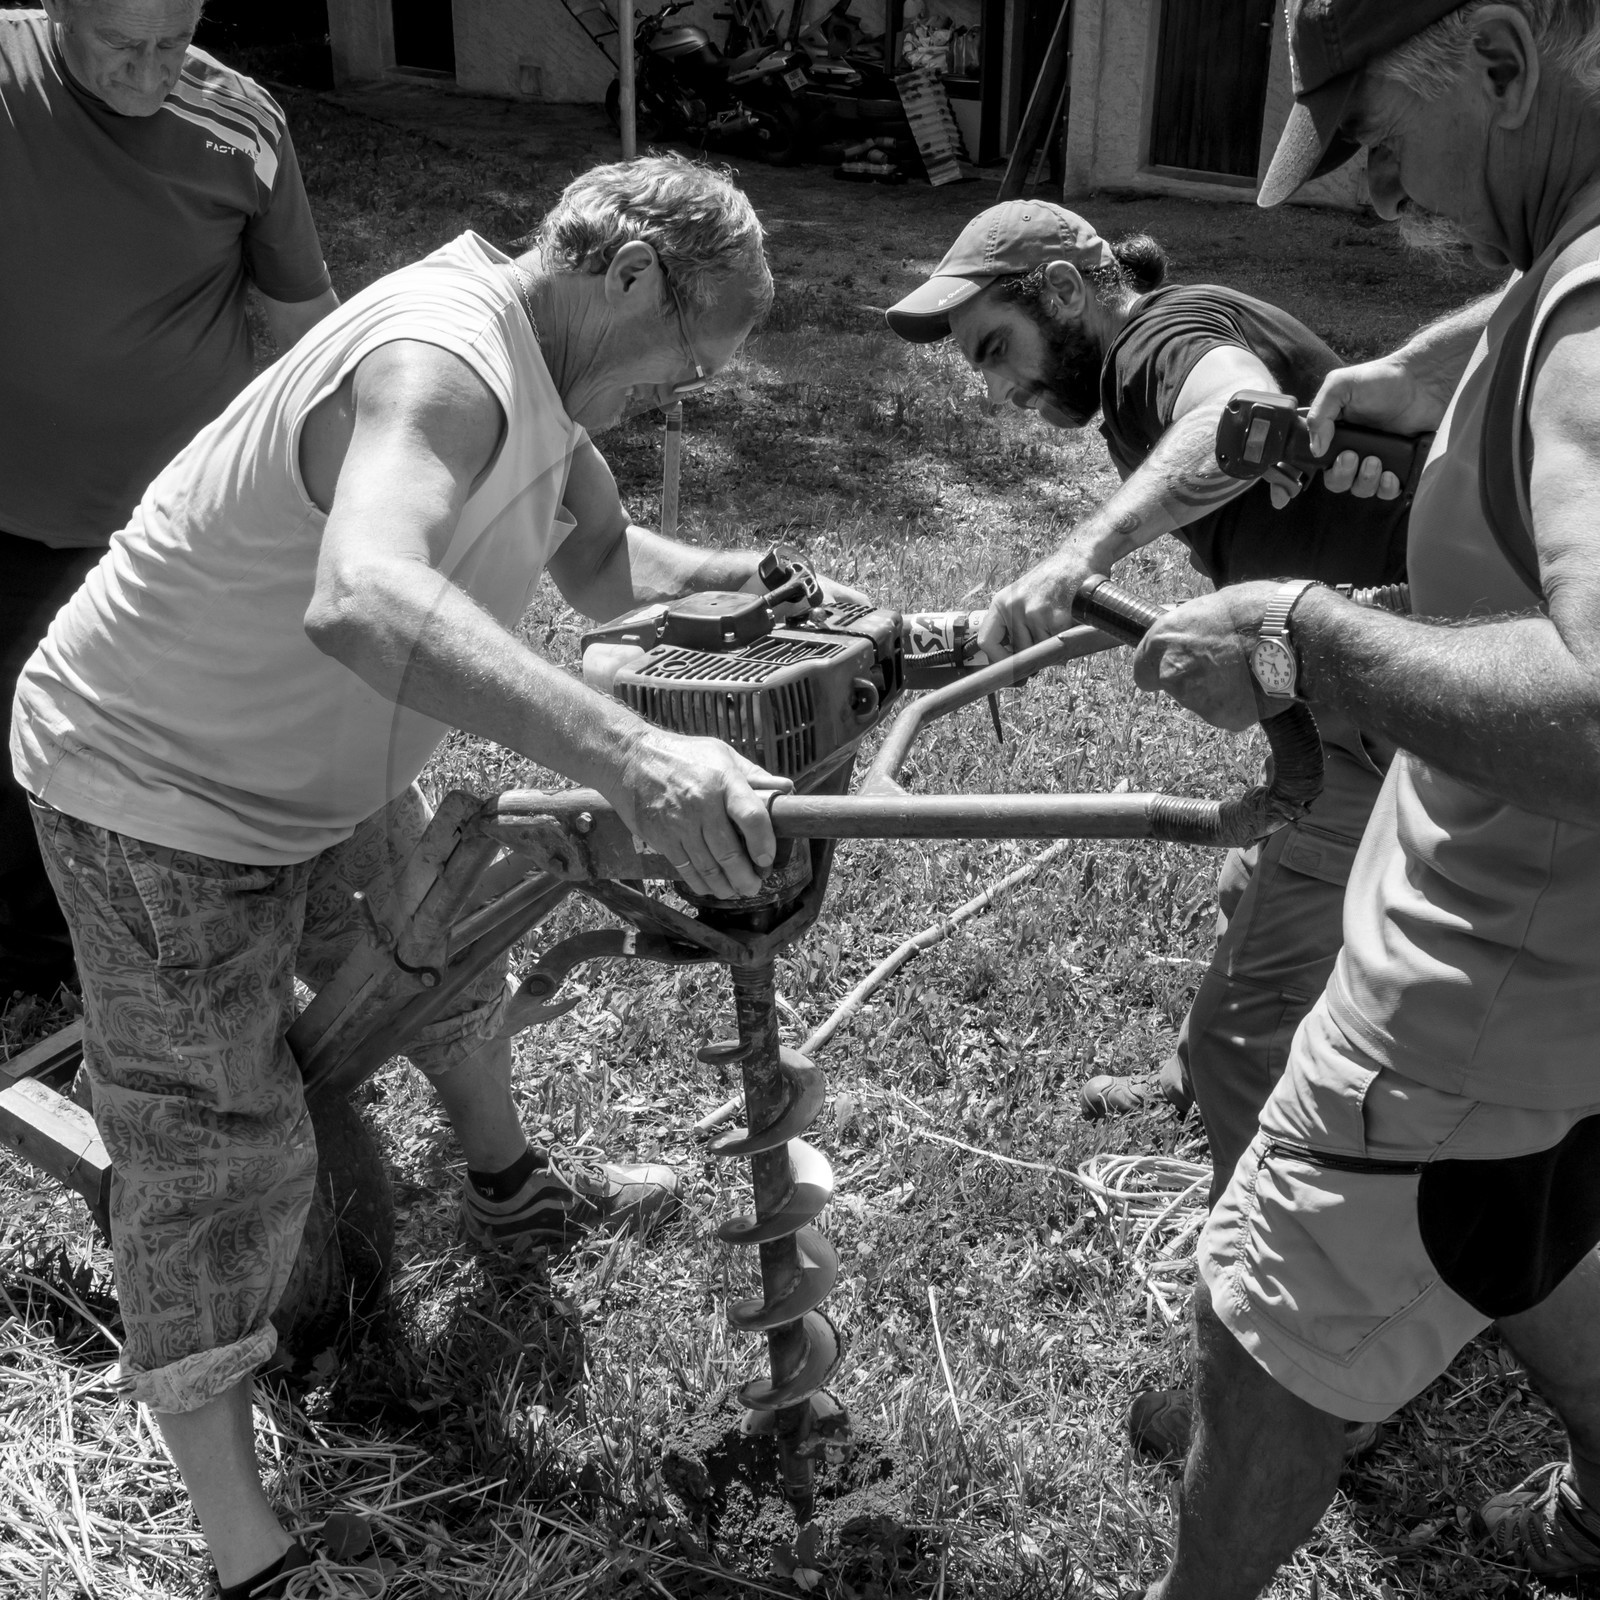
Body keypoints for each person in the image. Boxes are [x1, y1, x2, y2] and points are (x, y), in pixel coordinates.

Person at [10, 154, 860, 1600]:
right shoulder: (444, 362)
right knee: (217, 1150)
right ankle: (245, 1550)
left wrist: (742, 576)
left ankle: (509, 1186)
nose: (677, 396)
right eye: (683, 361)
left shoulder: (548, 385)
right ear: (632, 276)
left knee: (447, 960)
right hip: (155, 785)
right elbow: (365, 595)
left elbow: (602, 565)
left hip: (320, 768)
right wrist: (636, 762)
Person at [1099, 0, 1600, 1593]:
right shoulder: (1565, 278)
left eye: (1385, 150)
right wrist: (1420, 371)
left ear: (1507, 64)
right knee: (1541, 1219)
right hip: (1570, 1000)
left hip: (1471, 995)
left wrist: (1306, 635)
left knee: (1251, 1352)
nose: (1387, 205)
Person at [884, 200, 1408, 1458]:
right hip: (1366, 670)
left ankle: (1281, 1363)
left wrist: (1081, 552)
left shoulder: (1159, 339)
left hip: (1403, 685)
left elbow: (1236, 425)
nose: (1001, 391)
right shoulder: (1142, 364)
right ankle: (1206, 1094)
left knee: (1249, 1038)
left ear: (1067, 287)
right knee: (1250, 892)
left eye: (996, 348)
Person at [0, 0, 339, 1000]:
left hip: (171, 525)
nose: (151, 73)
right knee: (14, 741)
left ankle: (210, 950)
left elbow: (306, 328)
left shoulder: (241, 125)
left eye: (173, 43)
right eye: (121, 46)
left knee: (173, 753)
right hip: (13, 510)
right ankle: (30, 965)